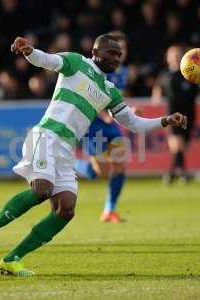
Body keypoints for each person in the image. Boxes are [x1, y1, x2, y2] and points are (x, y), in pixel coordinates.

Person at [0, 34, 187, 277]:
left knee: (66, 209)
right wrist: (29, 51)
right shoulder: (76, 62)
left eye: (119, 55)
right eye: (111, 53)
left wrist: (165, 120)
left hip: (66, 148)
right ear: (95, 52)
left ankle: (12, 259)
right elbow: (48, 60)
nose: (115, 58)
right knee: (42, 190)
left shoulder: (110, 90)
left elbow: (133, 123)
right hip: (47, 135)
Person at [75, 31, 129, 223]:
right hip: (94, 124)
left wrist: (128, 112)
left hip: (111, 124)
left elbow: (118, 98)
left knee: (120, 166)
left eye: (120, 51)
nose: (117, 55)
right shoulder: (92, 69)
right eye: (113, 51)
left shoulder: (123, 73)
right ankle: (71, 164)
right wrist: (104, 114)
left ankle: (109, 210)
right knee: (100, 173)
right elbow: (87, 94)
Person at [152, 44, 199, 184]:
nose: (175, 57)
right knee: (176, 143)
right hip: (172, 113)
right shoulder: (165, 74)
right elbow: (158, 87)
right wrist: (156, 96)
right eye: (171, 54)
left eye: (177, 54)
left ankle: (171, 173)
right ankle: (184, 174)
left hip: (189, 112)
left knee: (181, 145)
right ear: (167, 57)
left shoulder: (191, 73)